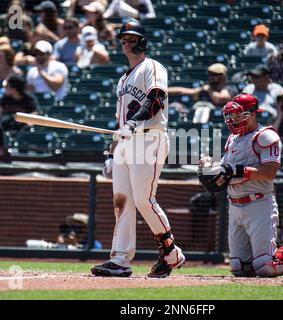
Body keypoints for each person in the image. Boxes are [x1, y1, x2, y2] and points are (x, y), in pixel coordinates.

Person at [198, 93, 283, 279]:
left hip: (258, 204)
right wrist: (212, 170)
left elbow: (269, 172)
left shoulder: (265, 136)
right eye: (231, 115)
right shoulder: (232, 138)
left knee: (264, 266)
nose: (233, 119)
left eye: (238, 114)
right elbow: (228, 170)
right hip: (234, 205)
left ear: (252, 114)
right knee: (239, 268)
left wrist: (235, 170)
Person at [91, 20, 185, 278]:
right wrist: (111, 152)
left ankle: (171, 253)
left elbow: (157, 99)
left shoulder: (152, 66)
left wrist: (133, 124)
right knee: (122, 201)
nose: (128, 43)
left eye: (132, 39)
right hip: (126, 141)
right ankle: (120, 260)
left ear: (143, 41)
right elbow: (118, 122)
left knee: (144, 200)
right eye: (124, 40)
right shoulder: (122, 80)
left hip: (149, 138)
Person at [0, 75, 37, 156]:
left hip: (21, 125)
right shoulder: (5, 98)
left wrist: (28, 123)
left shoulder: (28, 99)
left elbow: (33, 114)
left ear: (14, 88)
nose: (5, 88)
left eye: (7, 86)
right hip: (7, 125)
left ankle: (22, 151)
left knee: (27, 128)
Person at [168, 63, 233, 108]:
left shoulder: (228, 89)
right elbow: (183, 91)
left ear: (223, 76)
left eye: (215, 74)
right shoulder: (205, 89)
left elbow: (220, 99)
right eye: (210, 74)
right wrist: (163, 90)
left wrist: (209, 90)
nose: (212, 77)